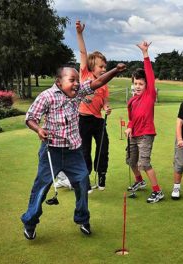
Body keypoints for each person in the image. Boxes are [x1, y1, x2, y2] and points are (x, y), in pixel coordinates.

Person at [21, 63, 126, 240]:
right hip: (51, 151)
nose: (77, 84)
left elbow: (97, 82)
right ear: (59, 82)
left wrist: (115, 70)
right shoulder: (46, 96)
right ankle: (30, 223)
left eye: (77, 80)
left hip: (74, 151)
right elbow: (30, 118)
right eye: (72, 80)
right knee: (41, 187)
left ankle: (82, 219)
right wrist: (38, 129)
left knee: (82, 183)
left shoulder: (77, 93)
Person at [125, 41, 163, 203]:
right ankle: (139, 181)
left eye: (141, 83)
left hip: (146, 135)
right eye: (135, 84)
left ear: (147, 85)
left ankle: (157, 191)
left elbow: (149, 74)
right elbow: (131, 119)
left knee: (144, 163)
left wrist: (145, 54)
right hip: (134, 135)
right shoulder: (131, 101)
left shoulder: (149, 95)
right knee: (131, 161)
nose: (138, 86)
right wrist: (128, 127)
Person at [76, 20, 111, 192]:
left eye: (105, 66)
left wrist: (107, 108)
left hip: (98, 120)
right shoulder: (85, 74)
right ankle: (86, 178)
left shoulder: (104, 84)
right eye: (101, 66)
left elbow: (105, 101)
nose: (104, 69)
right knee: (85, 150)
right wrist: (79, 34)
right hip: (83, 119)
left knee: (103, 147)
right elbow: (83, 52)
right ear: (92, 66)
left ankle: (102, 173)